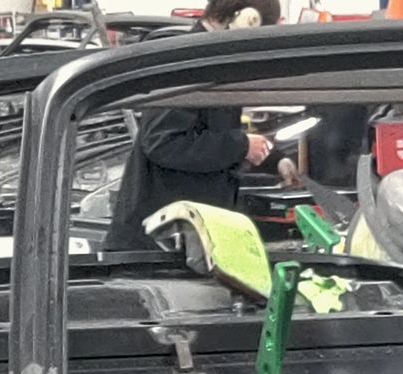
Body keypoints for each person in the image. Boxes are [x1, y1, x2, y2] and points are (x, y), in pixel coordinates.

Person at [104, 0, 281, 253]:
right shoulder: (189, 65)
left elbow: (211, 134)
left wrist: (275, 159)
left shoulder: (210, 60)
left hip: (176, 239)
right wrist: (241, 146)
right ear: (246, 19)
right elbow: (164, 142)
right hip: (155, 246)